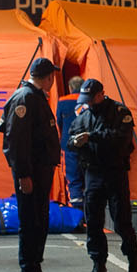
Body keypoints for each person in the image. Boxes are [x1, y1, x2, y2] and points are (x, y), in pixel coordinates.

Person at [1, 56, 65, 272]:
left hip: (40, 172)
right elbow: (16, 142)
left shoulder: (35, 97)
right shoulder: (25, 98)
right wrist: (23, 174)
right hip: (32, 173)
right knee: (30, 224)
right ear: (48, 77)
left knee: (39, 223)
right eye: (52, 77)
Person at [68, 77, 137, 272]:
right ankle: (98, 267)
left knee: (122, 222)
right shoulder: (83, 116)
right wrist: (75, 141)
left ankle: (134, 265)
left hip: (115, 173)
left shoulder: (120, 113)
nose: (88, 103)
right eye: (86, 99)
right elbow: (70, 139)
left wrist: (92, 137)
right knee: (93, 222)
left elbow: (122, 139)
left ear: (101, 94)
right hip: (92, 174)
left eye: (91, 99)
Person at [57, 76, 86, 221]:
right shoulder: (89, 101)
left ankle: (76, 216)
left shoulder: (62, 101)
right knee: (88, 178)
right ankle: (89, 215)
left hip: (68, 147)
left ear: (70, 87)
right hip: (87, 146)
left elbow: (59, 123)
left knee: (72, 179)